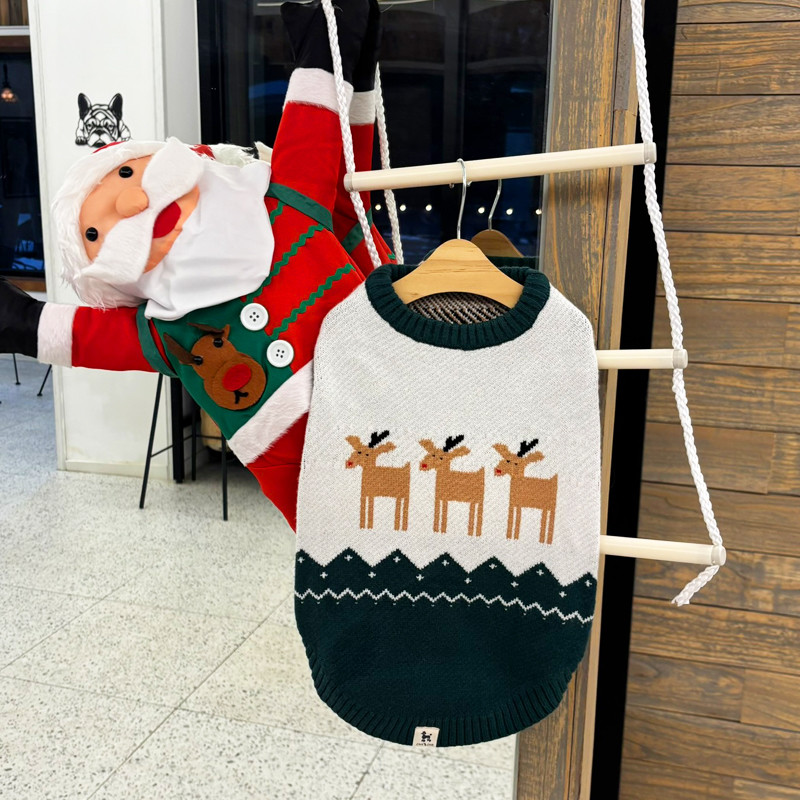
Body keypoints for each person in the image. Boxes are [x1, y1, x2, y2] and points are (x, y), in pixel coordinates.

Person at [0, 0, 392, 530]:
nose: (132, 204)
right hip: (306, 471)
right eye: (97, 233)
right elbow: (90, 336)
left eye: (126, 176)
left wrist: (341, 63)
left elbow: (334, 158)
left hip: (395, 382)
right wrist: (23, 323)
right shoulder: (170, 327)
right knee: (350, 544)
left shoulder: (283, 205)